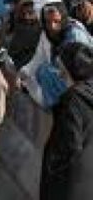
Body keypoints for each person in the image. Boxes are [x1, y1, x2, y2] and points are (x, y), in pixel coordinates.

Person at [40, 42, 93, 200]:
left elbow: (68, 147)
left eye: (61, 66)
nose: (58, 71)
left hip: (70, 186)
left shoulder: (73, 101)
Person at [21, 0, 93, 109]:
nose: (52, 26)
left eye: (56, 21)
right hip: (66, 77)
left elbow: (79, 70)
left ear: (63, 17)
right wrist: (24, 73)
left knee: (44, 71)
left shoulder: (75, 36)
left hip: (83, 83)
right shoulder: (48, 33)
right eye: (48, 22)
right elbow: (38, 57)